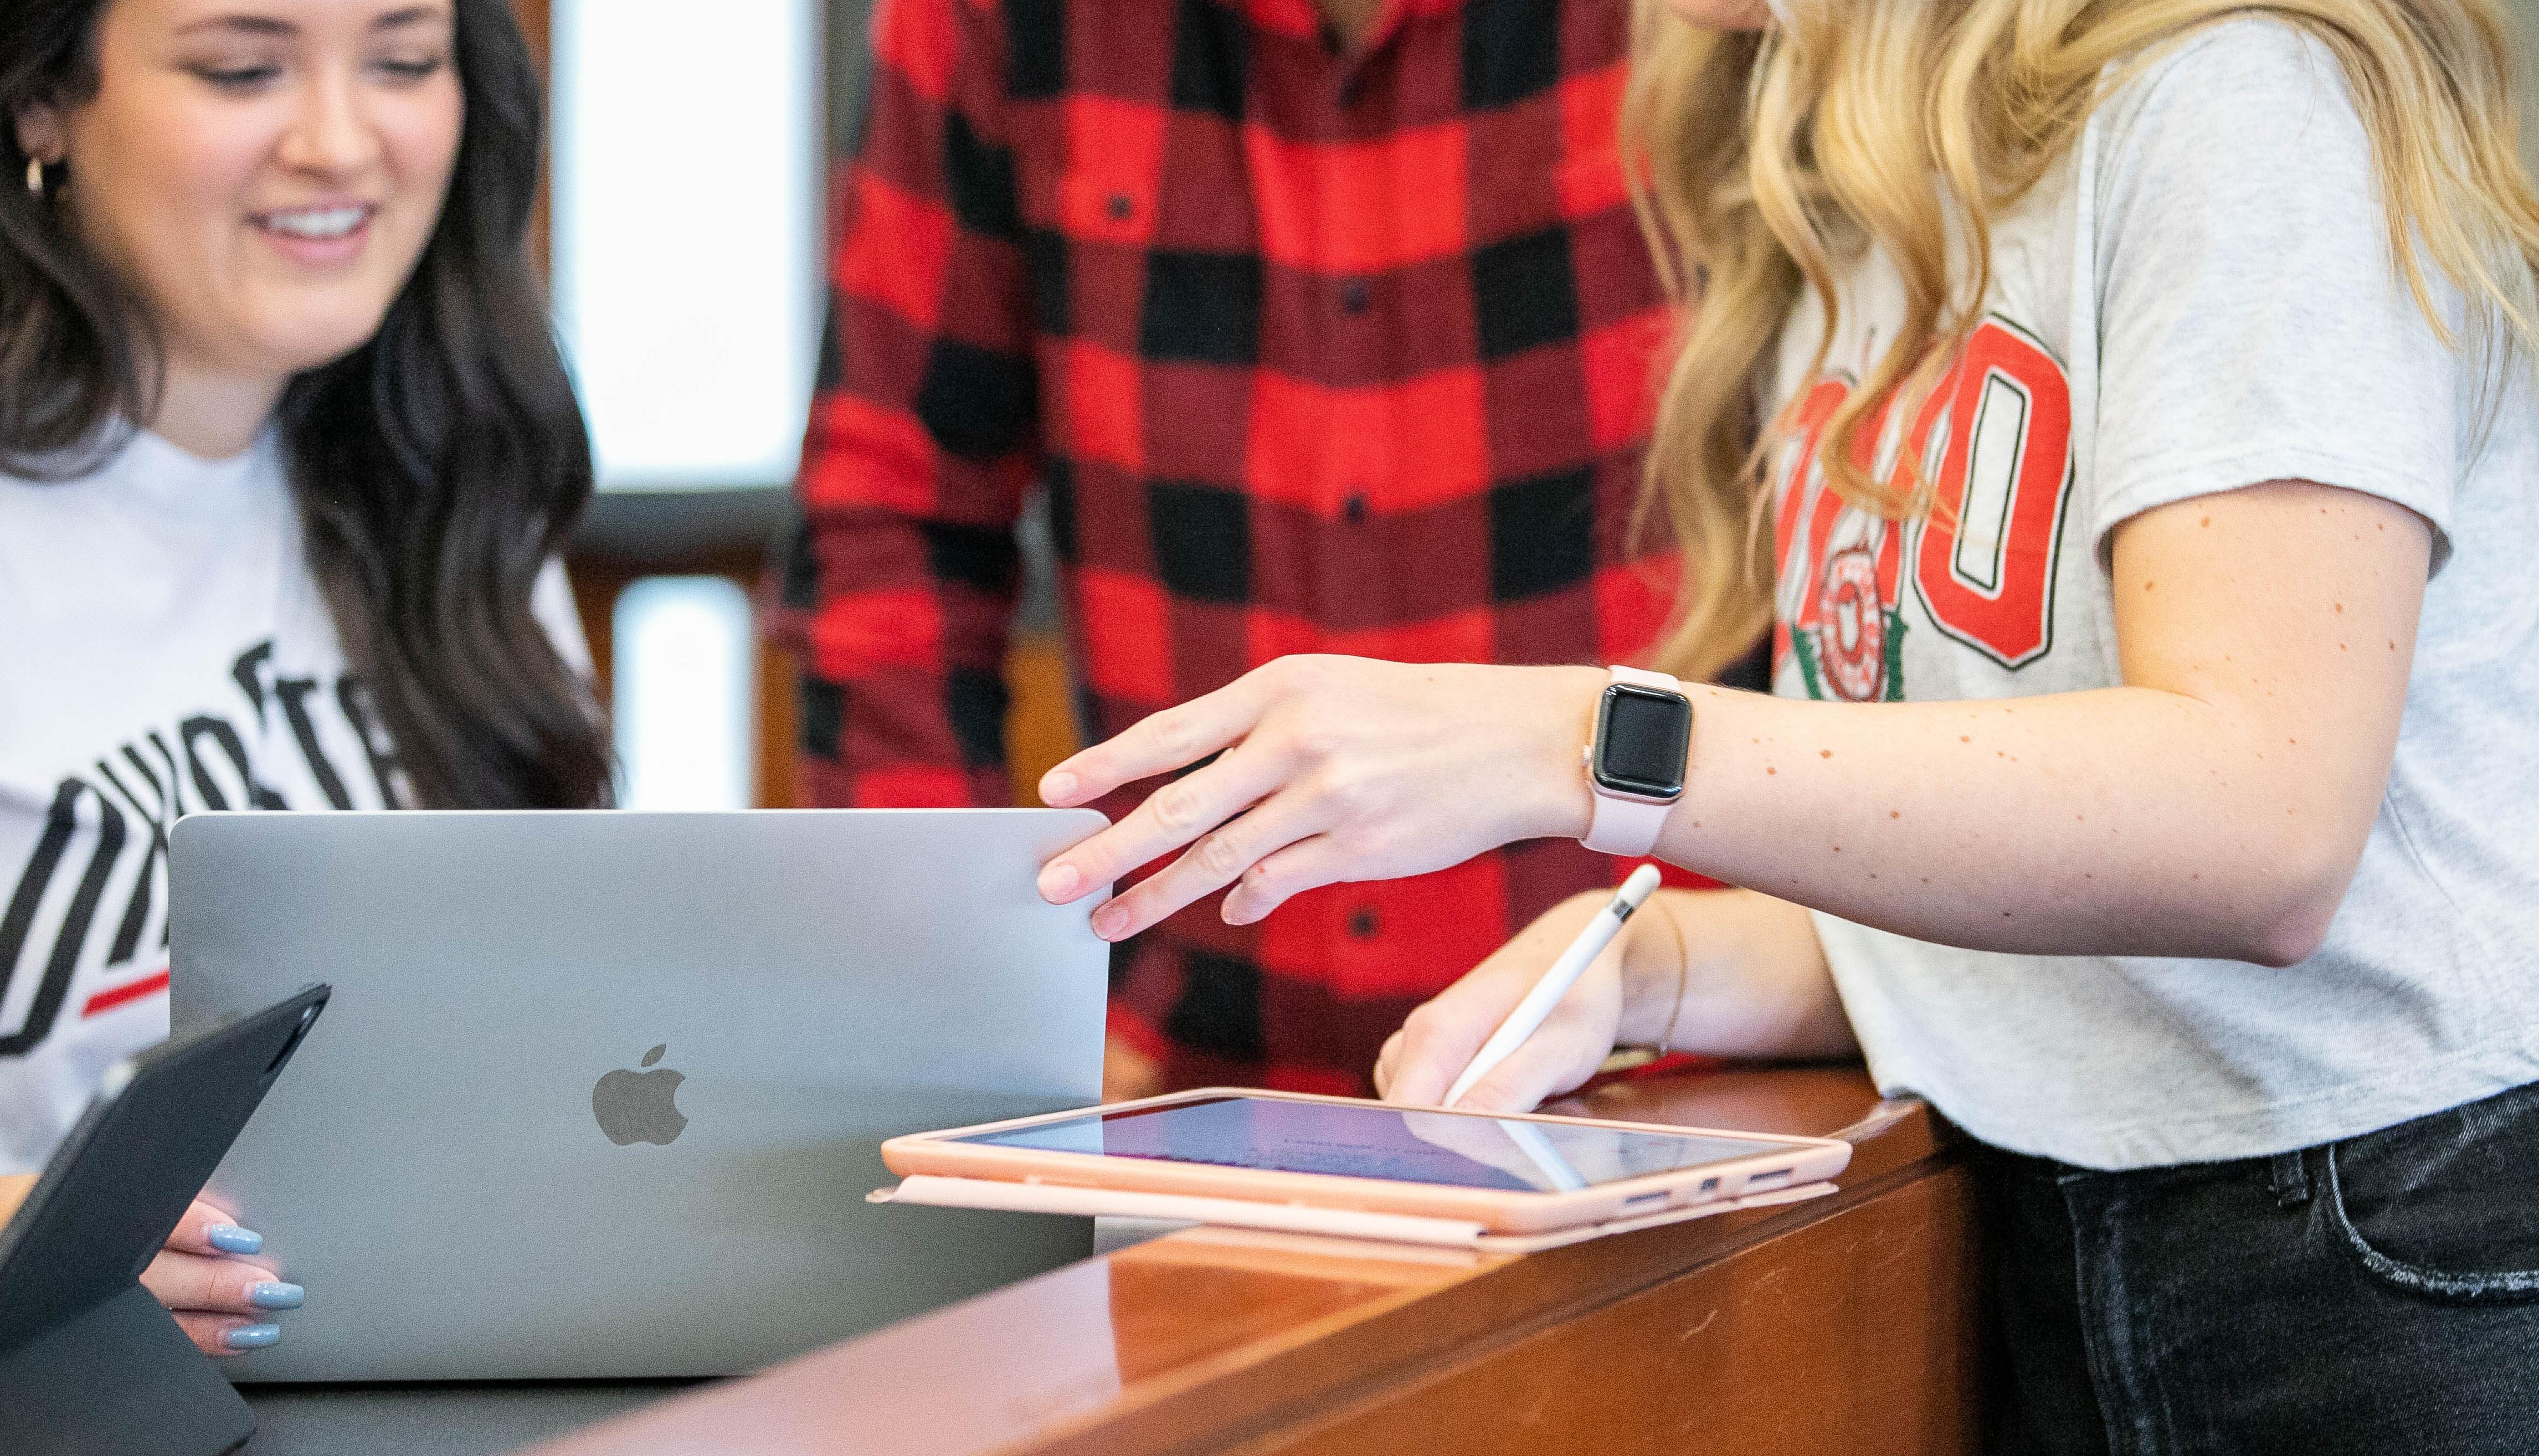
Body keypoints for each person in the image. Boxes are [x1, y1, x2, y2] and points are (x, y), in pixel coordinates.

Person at [1029, 0, 2539, 1447]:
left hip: (2377, 1241)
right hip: (2068, 1221)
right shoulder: (1869, 181)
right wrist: (1656, 968)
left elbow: (2260, 828)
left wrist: (1576, 741)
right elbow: (2027, 861)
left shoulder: (2242, 98)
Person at [773, 0, 1724, 1099]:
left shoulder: (1713, 22)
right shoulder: (989, 22)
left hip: (1679, 1065)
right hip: (1184, 1078)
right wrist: (977, 998)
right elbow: (890, 521)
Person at [0, 0, 609, 1351]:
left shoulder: (460, 496)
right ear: (40, 103)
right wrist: (12, 1246)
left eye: (403, 62)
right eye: (244, 69)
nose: (340, 142)